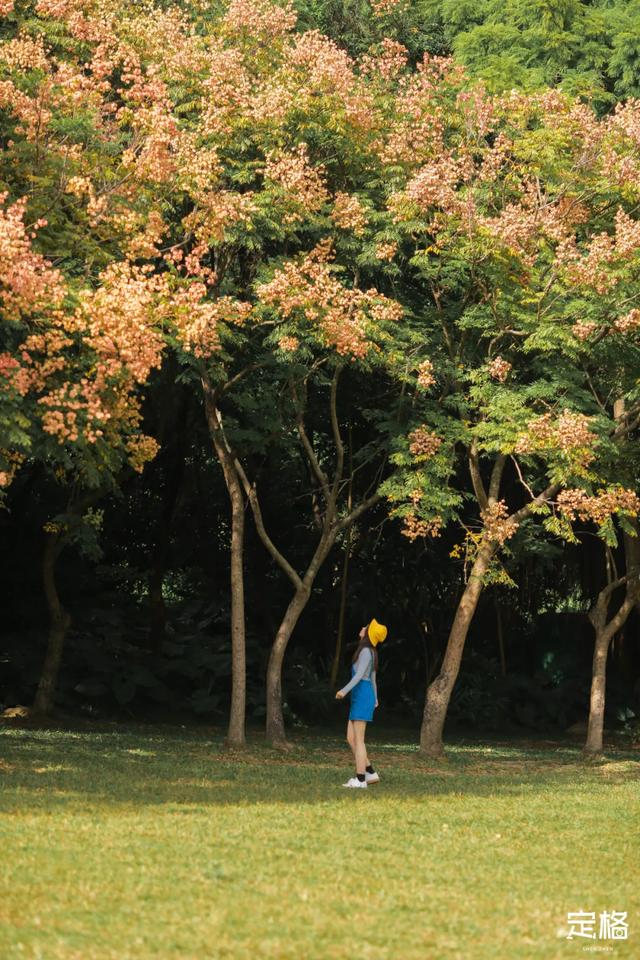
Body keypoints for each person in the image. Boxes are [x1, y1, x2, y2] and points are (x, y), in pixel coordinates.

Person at [335, 618, 387, 788]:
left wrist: (344, 690)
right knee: (351, 738)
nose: (363, 627)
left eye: (366, 627)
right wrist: (376, 697)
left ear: (368, 634)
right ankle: (370, 772)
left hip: (362, 695)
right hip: (363, 695)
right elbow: (373, 678)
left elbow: (359, 677)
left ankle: (360, 779)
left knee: (359, 740)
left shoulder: (366, 652)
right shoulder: (368, 651)